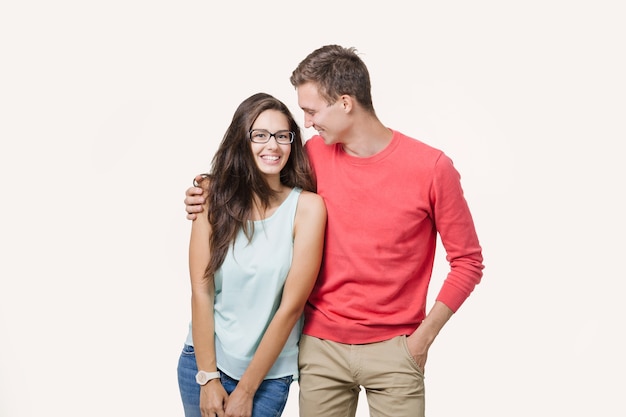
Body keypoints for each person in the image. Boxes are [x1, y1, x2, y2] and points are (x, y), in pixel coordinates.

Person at [184, 45, 484, 417]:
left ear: (345, 103)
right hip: (320, 348)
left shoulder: (432, 167)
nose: (306, 123)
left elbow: (468, 262)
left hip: (397, 349)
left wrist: (423, 339)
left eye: (311, 111)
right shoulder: (313, 156)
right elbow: (258, 179)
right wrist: (207, 190)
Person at [177, 92, 327, 417]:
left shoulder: (307, 209)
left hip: (268, 376)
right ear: (241, 140)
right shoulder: (209, 196)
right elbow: (201, 292)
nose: (272, 146)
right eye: (260, 135)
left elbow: (291, 307)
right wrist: (208, 378)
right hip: (202, 364)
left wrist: (246, 389)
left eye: (282, 136)